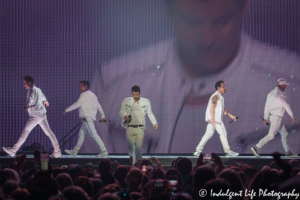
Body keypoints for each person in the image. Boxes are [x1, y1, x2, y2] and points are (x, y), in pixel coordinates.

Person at [91, 0, 300, 154]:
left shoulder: (294, 85)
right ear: (168, 11)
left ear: (245, 7)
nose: (206, 39)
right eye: (191, 22)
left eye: (220, 22)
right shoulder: (114, 85)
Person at [2, 75, 61, 158]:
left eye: (25, 83)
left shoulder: (31, 91)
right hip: (42, 114)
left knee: (25, 132)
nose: (24, 85)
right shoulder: (39, 90)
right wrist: (46, 102)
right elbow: (44, 97)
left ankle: (13, 150)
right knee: (49, 133)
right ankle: (57, 151)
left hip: (35, 116)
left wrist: (28, 105)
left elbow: (30, 99)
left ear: (29, 83)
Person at [251, 78, 297, 157]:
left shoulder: (271, 93)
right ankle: (257, 147)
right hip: (277, 118)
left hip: (274, 117)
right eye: (285, 85)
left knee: (284, 134)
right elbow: (286, 105)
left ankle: (288, 151)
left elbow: (267, 106)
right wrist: (292, 116)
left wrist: (266, 118)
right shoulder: (281, 93)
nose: (286, 86)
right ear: (282, 85)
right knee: (271, 135)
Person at [63, 80, 108, 157]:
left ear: (85, 86)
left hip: (87, 117)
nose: (80, 87)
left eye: (81, 86)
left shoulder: (84, 95)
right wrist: (102, 116)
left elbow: (77, 104)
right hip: (87, 118)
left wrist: (66, 110)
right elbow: (99, 106)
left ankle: (104, 150)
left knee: (93, 134)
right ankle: (75, 151)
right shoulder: (93, 95)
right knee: (81, 134)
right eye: (80, 86)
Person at [193, 81, 239, 157]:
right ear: (218, 88)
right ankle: (228, 151)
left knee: (208, 134)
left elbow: (223, 111)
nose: (225, 88)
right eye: (223, 86)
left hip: (215, 120)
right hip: (215, 120)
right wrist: (212, 118)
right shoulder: (216, 96)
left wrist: (232, 117)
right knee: (223, 134)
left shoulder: (220, 97)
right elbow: (212, 107)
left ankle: (198, 150)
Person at [119, 85, 158, 163]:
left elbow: (149, 113)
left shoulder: (146, 101)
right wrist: (125, 116)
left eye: (137, 95)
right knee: (130, 149)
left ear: (140, 93)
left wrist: (155, 123)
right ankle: (132, 165)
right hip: (129, 127)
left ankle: (138, 166)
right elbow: (121, 112)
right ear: (131, 93)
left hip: (140, 128)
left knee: (138, 149)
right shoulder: (126, 101)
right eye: (134, 95)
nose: (135, 96)